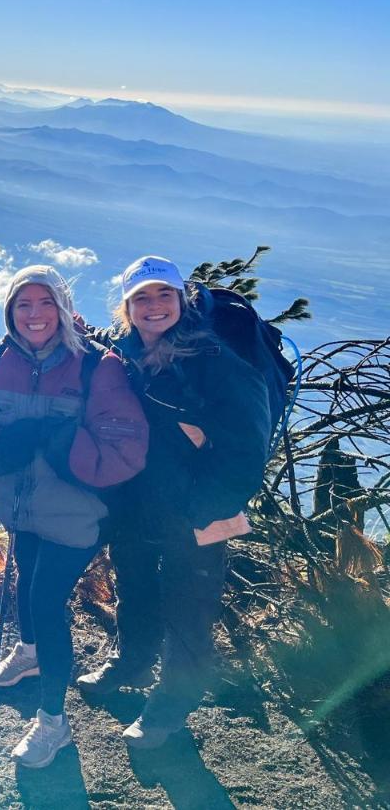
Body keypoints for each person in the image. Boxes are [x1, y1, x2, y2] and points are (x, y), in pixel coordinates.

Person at [0, 265, 148, 768]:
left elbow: (127, 446)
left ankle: (53, 723)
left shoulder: (96, 367)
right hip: (21, 510)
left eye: (44, 303)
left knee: (43, 599)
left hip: (77, 517)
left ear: (61, 308)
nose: (34, 315)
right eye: (23, 304)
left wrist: (66, 448)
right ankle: (32, 651)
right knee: (26, 582)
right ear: (10, 311)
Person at [76, 256, 270, 748]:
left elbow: (249, 448)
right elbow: (107, 356)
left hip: (195, 513)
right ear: (127, 307)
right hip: (136, 505)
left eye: (164, 294)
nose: (153, 306)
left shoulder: (215, 361)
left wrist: (201, 508)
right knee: (135, 587)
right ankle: (133, 663)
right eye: (142, 297)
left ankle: (170, 710)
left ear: (181, 301)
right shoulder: (124, 352)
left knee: (189, 610)